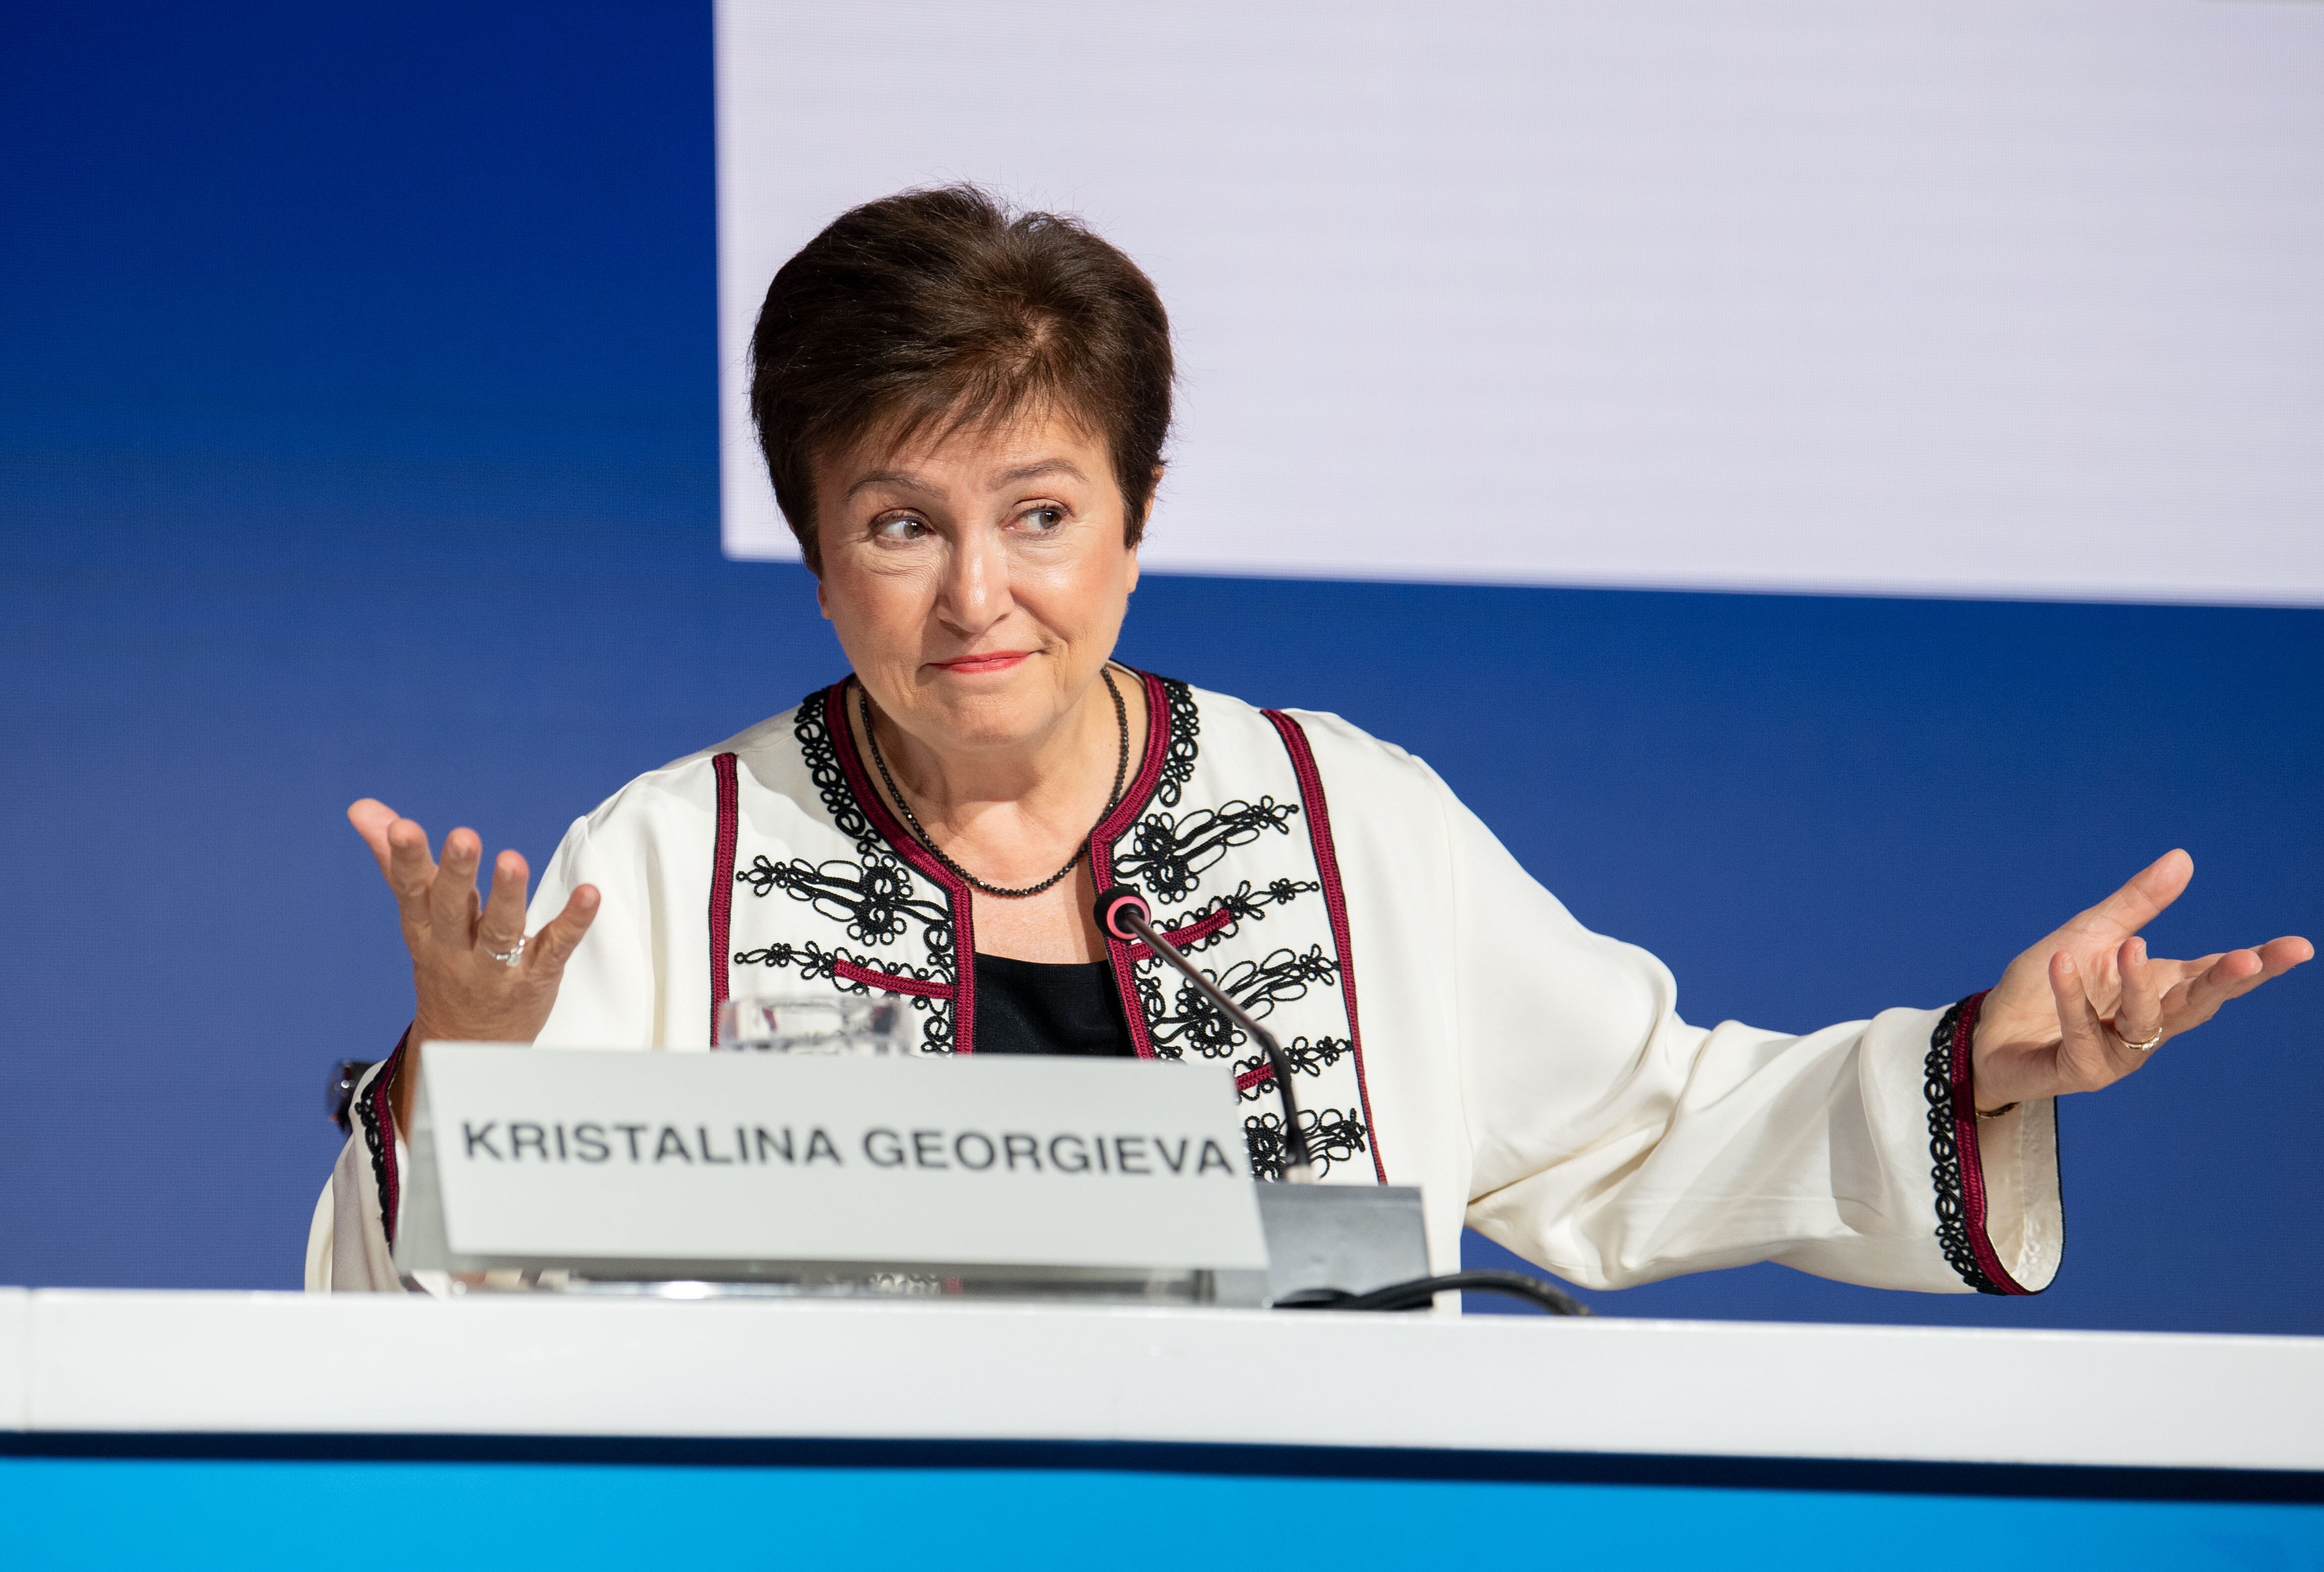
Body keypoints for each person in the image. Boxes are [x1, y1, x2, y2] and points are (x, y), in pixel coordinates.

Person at [306, 186, 2311, 1297]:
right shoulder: (663, 857)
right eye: (899, 524)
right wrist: (453, 1101)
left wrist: (1980, 1059)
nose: (978, 598)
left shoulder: (1348, 817)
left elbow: (1636, 1126)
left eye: (1039, 512)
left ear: (1137, 513)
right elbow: (437, 1342)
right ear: (818, 558)